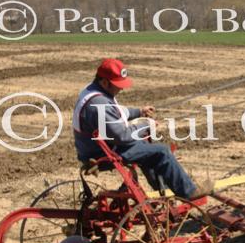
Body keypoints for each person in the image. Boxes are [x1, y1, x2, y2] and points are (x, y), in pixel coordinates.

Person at [73, 58, 207, 200]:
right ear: (105, 82)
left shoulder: (94, 91)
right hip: (103, 154)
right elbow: (122, 136)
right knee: (162, 151)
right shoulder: (99, 102)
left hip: (98, 148)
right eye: (118, 85)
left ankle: (164, 191)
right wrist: (146, 125)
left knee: (146, 149)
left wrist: (139, 112)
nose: (122, 88)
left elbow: (117, 112)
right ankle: (189, 192)